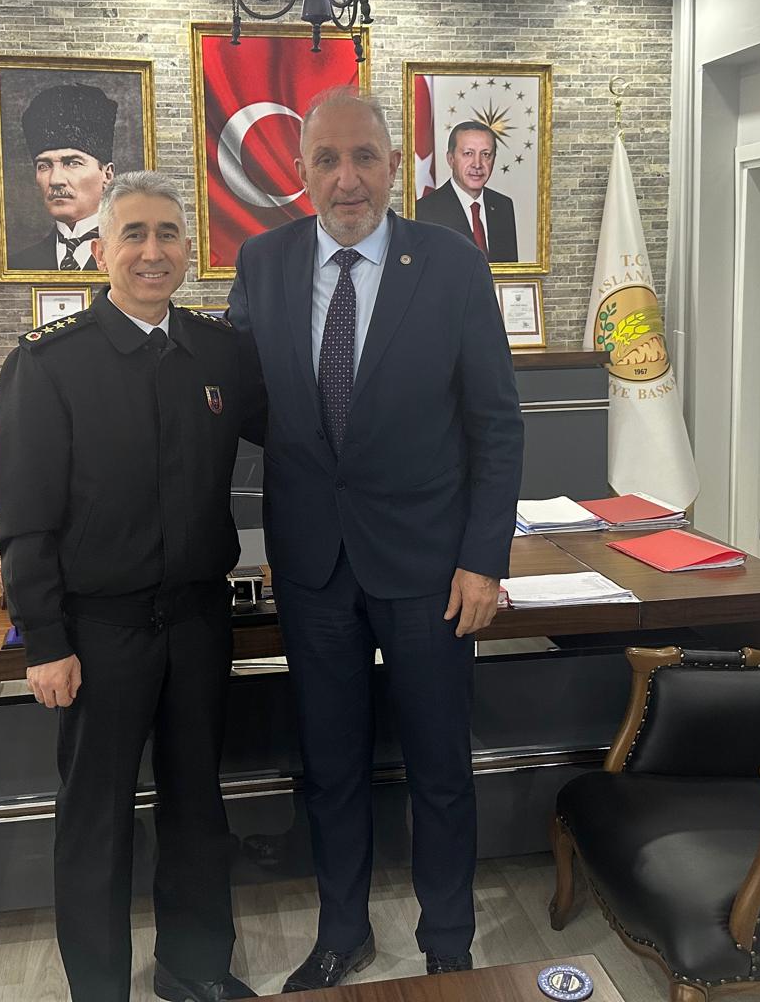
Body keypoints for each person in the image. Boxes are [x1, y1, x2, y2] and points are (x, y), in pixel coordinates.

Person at [225, 89, 523, 990]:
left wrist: (483, 559)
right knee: (331, 766)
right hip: (313, 566)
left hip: (432, 566)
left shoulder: (452, 263)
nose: (346, 178)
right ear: (301, 171)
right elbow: (240, 405)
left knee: (439, 765)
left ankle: (448, 940)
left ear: (395, 166)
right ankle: (341, 933)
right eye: (326, 159)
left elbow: (496, 426)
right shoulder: (264, 262)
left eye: (364, 157)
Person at [0, 170, 263, 1002]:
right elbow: (24, 519)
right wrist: (45, 640)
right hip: (98, 632)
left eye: (168, 234)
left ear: (189, 249)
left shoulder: (221, 353)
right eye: (134, 234)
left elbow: (304, 439)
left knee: (197, 806)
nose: (152, 251)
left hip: (198, 621)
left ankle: (194, 968)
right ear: (101, 248)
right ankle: (99, 989)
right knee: (96, 821)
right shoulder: (49, 364)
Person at [12, 83, 118, 271]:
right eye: (44, 166)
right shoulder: (19, 264)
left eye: (72, 163)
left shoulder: (134, 258)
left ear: (107, 175)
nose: (55, 180)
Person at [414, 120, 520, 261]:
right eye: (468, 153)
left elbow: (509, 270)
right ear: (451, 159)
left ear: (493, 159)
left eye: (486, 154)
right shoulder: (424, 211)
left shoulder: (503, 206)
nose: (477, 164)